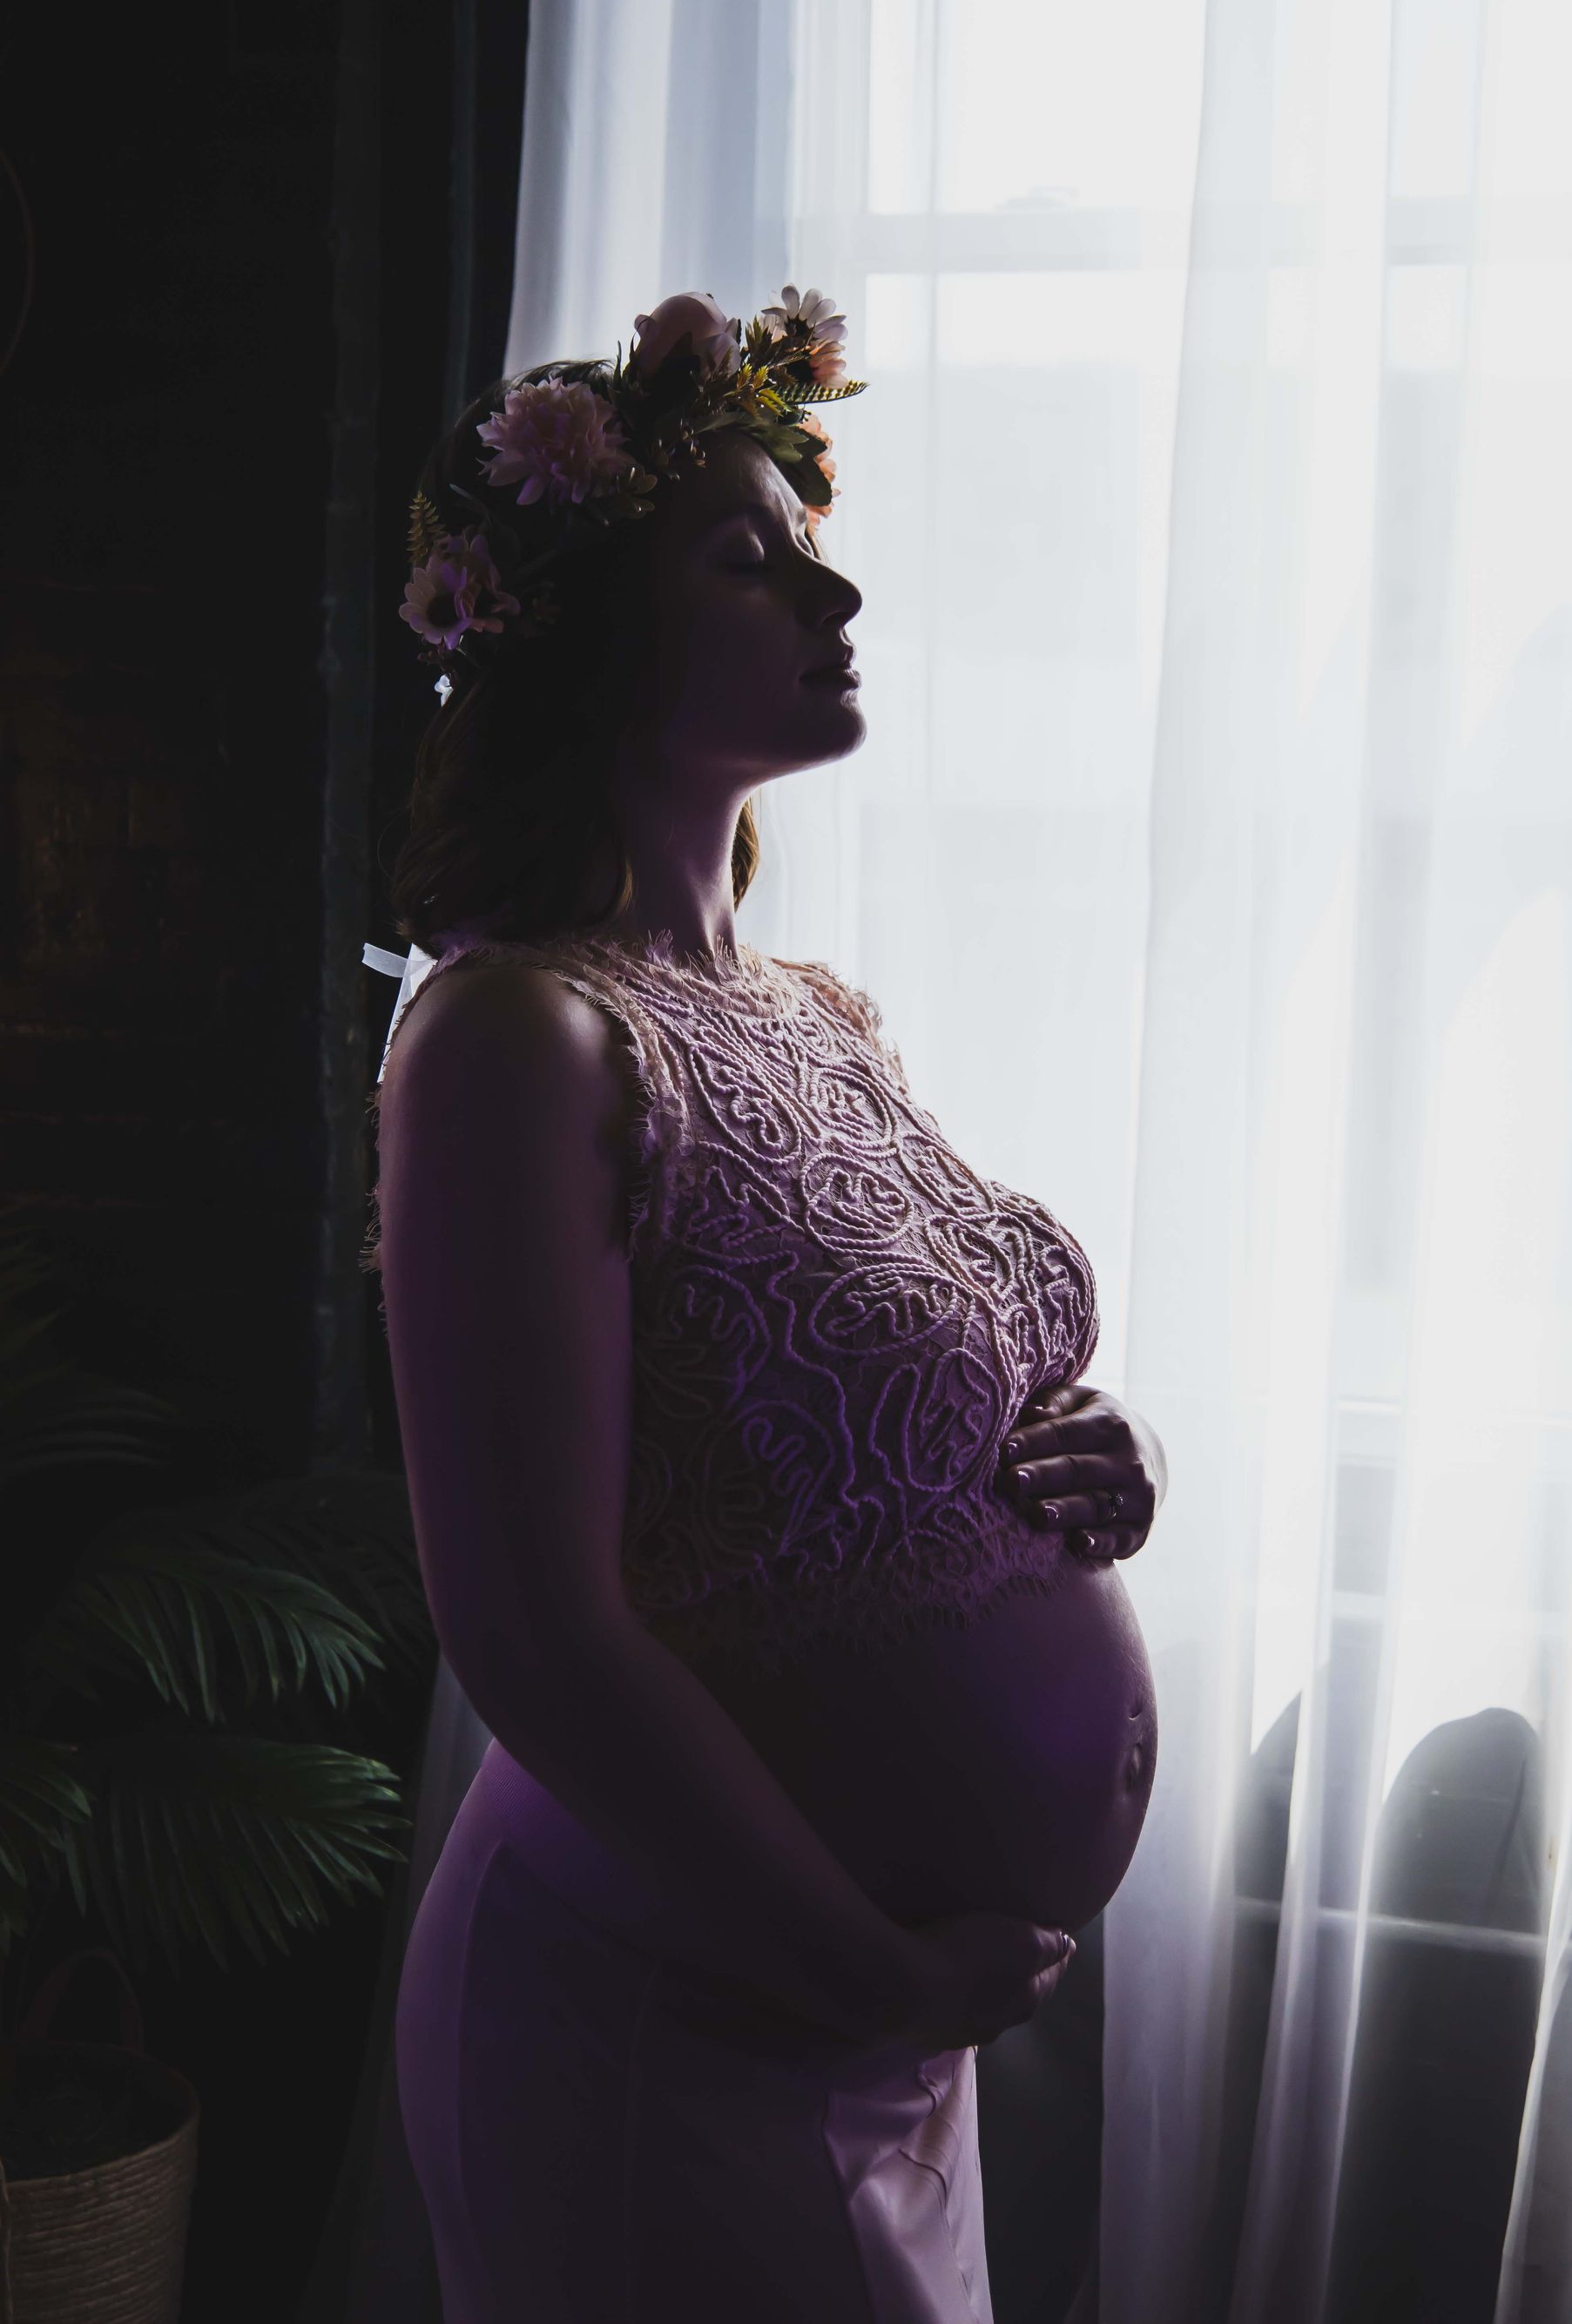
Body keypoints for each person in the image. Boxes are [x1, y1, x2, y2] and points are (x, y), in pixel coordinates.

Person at [365, 287, 1165, 2321]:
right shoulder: (512, 1038)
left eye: (806, 547)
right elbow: (528, 1624)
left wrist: (1090, 1460)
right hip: (671, 2014)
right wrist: (864, 1962)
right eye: (749, 560)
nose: (833, 589)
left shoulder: (811, 1014)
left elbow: (857, 1407)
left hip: (858, 2031)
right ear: (578, 630)